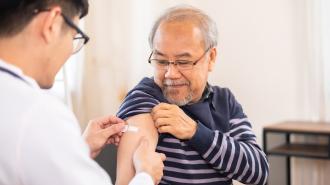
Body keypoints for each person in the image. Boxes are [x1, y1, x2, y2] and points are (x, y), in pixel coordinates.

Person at [0, 0, 165, 185]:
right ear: (51, 24)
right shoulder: (37, 114)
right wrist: (146, 175)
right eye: (74, 37)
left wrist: (80, 148)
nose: (71, 51)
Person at [116, 5, 269, 185]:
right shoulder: (145, 98)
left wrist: (196, 133)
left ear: (211, 58)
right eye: (162, 61)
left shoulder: (224, 101)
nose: (170, 73)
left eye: (183, 62)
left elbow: (259, 173)